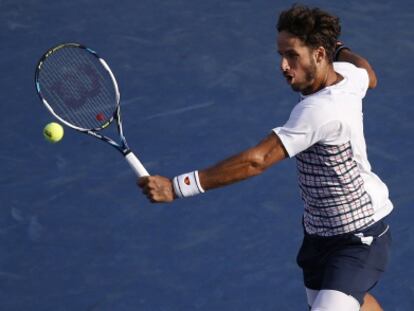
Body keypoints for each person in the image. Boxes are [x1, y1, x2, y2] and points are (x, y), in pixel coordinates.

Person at [138, 4, 393, 311]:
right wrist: (342, 49)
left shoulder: (320, 111)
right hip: (319, 235)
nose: (284, 66)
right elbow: (369, 73)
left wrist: (176, 187)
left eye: (292, 55)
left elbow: (256, 160)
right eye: (281, 55)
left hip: (359, 236)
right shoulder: (348, 78)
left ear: (319, 55)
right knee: (352, 303)